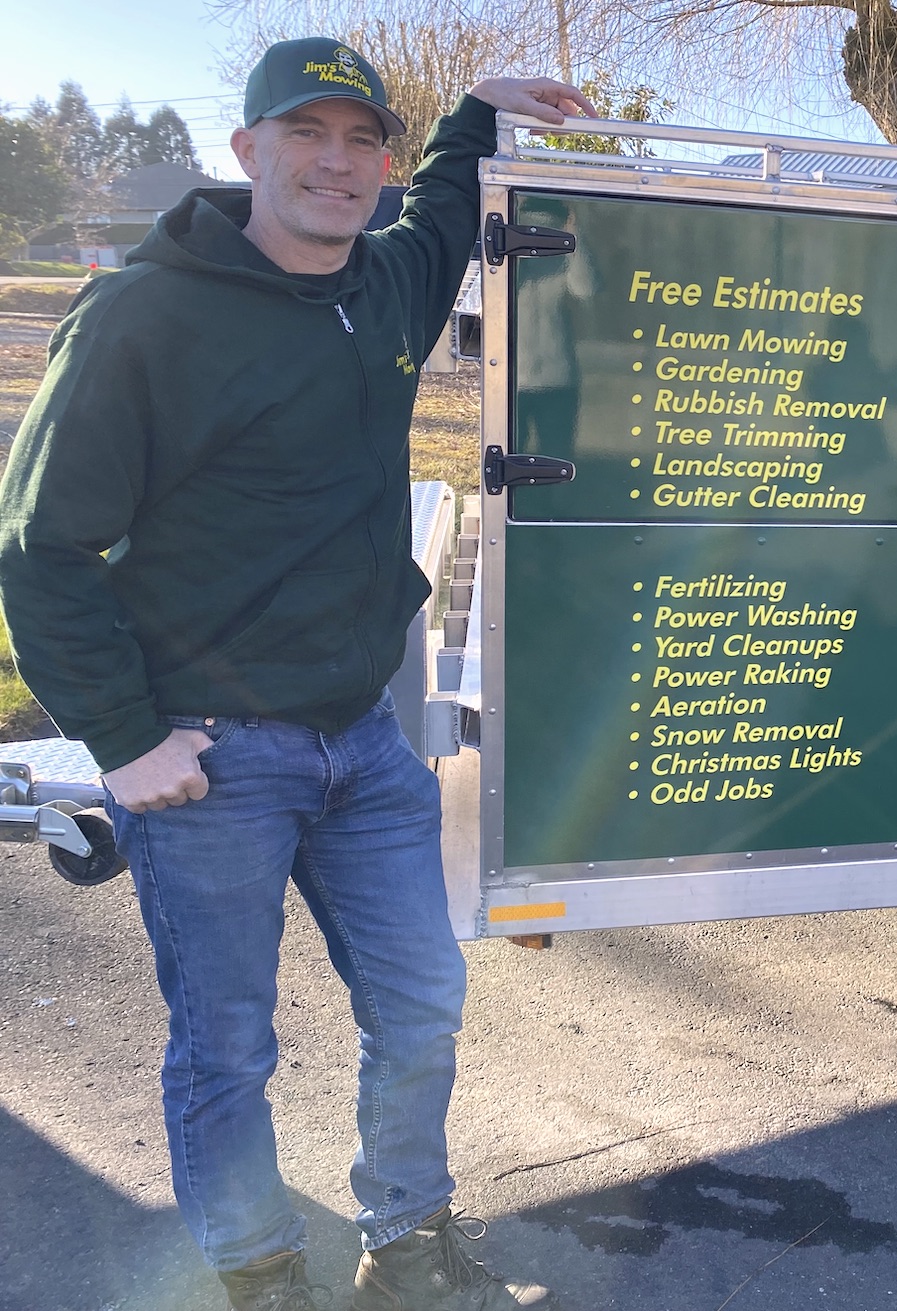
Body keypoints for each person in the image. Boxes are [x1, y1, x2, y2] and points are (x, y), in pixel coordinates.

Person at [0, 37, 592, 1311]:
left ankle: (408, 1244)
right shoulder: (141, 317)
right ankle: (258, 1274)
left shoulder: (380, 286)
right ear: (248, 151)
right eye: (306, 136)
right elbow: (42, 548)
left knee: (423, 1004)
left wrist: (474, 116)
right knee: (226, 1048)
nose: (337, 164)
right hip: (210, 760)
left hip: (363, 743)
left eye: (359, 141)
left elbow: (442, 213)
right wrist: (122, 739)